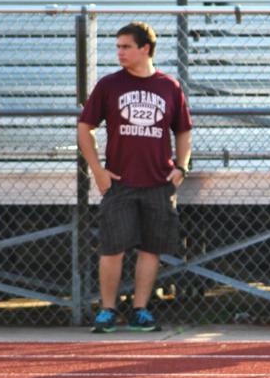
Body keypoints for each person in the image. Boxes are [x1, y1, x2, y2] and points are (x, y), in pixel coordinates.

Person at [78, 21, 192, 333]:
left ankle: (140, 310)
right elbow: (85, 128)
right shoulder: (109, 85)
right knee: (112, 248)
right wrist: (98, 171)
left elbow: (183, 130)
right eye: (118, 47)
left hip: (158, 182)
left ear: (145, 49)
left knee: (151, 249)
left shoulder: (169, 86)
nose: (120, 52)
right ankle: (107, 310)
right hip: (120, 182)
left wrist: (181, 167)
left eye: (126, 46)